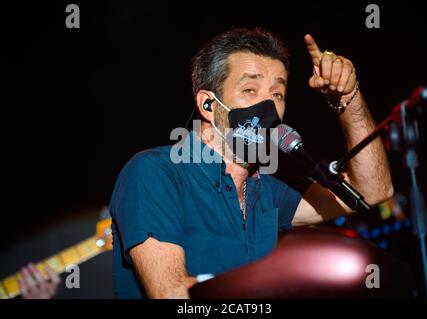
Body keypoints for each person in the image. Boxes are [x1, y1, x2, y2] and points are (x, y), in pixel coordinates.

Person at [109, 28, 393, 298]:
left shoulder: (269, 190)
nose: (268, 106)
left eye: (277, 93)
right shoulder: (155, 172)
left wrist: (348, 97)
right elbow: (172, 294)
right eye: (250, 90)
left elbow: (371, 191)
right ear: (208, 105)